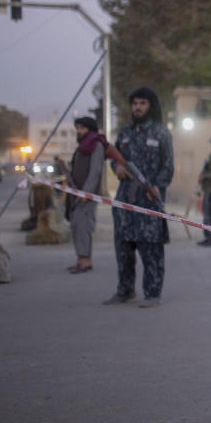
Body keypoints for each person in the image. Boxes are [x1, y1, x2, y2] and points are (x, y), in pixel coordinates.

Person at [104, 87, 174, 308]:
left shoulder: (161, 133)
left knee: (151, 249)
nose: (137, 107)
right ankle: (125, 290)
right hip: (125, 200)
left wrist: (156, 185)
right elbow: (113, 158)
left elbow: (168, 166)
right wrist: (117, 168)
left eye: (142, 103)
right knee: (123, 248)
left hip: (149, 201)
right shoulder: (124, 133)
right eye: (135, 103)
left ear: (150, 106)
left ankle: (153, 293)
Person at [65, 116, 107, 274]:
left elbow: (95, 171)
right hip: (76, 193)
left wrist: (86, 193)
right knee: (76, 226)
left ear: (90, 129)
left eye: (82, 128)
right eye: (78, 128)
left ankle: (86, 262)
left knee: (84, 227)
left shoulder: (96, 145)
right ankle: (79, 260)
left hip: (87, 195)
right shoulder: (81, 147)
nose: (79, 131)